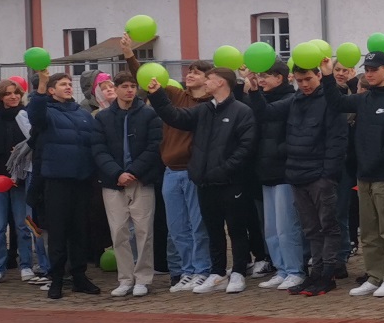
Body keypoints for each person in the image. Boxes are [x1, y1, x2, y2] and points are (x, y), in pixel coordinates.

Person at [144, 66, 258, 295]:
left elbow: (246, 147)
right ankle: (217, 273)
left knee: (236, 229)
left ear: (222, 83)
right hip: (205, 182)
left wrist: (224, 170)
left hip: (231, 182)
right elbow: (175, 116)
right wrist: (156, 95)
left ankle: (237, 273)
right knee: (213, 229)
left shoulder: (242, 111)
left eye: (210, 79)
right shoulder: (205, 110)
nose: (205, 82)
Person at [258, 57, 349, 296]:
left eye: (308, 78)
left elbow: (338, 140)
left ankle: (328, 274)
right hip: (298, 175)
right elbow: (265, 112)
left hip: (321, 176)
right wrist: (253, 88)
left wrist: (328, 173)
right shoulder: (294, 100)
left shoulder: (330, 100)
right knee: (311, 230)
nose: (304, 84)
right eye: (299, 80)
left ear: (318, 76)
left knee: (328, 226)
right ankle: (315, 273)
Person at [126, 42, 212, 292]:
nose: (189, 75)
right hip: (171, 172)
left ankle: (201, 269)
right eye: (189, 71)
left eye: (196, 72)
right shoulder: (177, 95)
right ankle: (186, 270)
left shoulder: (209, 104)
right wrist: (130, 55)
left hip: (193, 171)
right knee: (177, 227)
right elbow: (145, 78)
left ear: (208, 80)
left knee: (198, 225)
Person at [334, 51, 384, 297]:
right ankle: (375, 275)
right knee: (368, 230)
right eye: (366, 69)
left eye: (374, 69)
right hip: (363, 174)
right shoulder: (364, 99)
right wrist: (326, 77)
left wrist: (377, 160)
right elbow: (334, 102)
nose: (369, 73)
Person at [27, 72, 105, 299]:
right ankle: (57, 279)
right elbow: (35, 114)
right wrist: (41, 84)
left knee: (80, 231)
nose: (69, 87)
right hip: (57, 180)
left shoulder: (83, 114)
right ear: (51, 90)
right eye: (63, 84)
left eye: (70, 84)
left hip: (82, 181)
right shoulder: (47, 112)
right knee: (59, 232)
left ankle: (80, 276)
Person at [91, 72, 163, 296]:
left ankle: (143, 277)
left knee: (143, 231)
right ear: (116, 88)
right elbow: (98, 149)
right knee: (119, 231)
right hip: (113, 182)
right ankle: (125, 278)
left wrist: (133, 171)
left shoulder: (149, 115)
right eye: (124, 86)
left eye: (133, 86)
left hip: (141, 180)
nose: (129, 90)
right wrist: (117, 173)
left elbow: (154, 146)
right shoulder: (102, 118)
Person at [243, 61, 304, 289]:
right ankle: (281, 268)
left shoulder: (290, 100)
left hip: (283, 172)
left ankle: (295, 270)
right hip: (265, 172)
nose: (261, 80)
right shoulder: (262, 99)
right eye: (259, 76)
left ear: (280, 78)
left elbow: (274, 121)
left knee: (286, 226)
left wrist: (279, 152)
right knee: (270, 228)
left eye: (265, 76)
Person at [0, 79, 43, 284]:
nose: (13, 97)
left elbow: (36, 143)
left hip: (21, 178)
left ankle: (26, 265)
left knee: (23, 225)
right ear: (0, 97)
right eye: (8, 94)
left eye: (16, 93)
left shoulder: (26, 117)